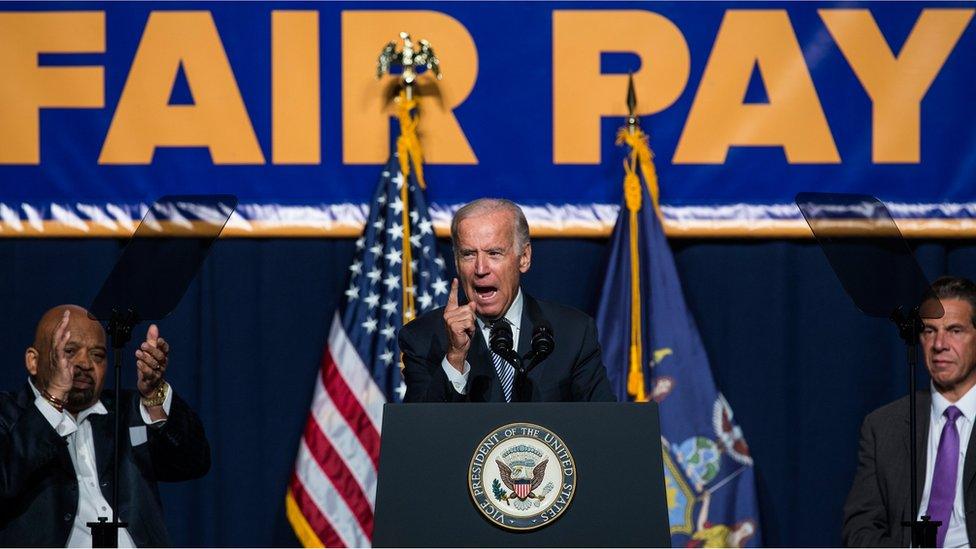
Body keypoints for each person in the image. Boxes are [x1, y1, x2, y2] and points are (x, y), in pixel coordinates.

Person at [0, 304, 210, 547]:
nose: (85, 364)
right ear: (33, 361)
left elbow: (193, 462)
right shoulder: (8, 414)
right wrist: (53, 400)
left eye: (97, 355)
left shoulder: (126, 411)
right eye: (69, 351)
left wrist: (154, 396)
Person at [399, 198, 615, 402]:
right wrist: (455, 357)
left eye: (494, 253)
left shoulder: (573, 332)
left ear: (524, 257)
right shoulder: (423, 338)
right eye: (468, 254)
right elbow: (420, 435)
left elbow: (603, 426)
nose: (481, 269)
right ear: (456, 262)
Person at [843, 276, 976, 547]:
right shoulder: (883, 426)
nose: (939, 344)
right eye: (929, 331)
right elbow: (860, 529)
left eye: (955, 330)